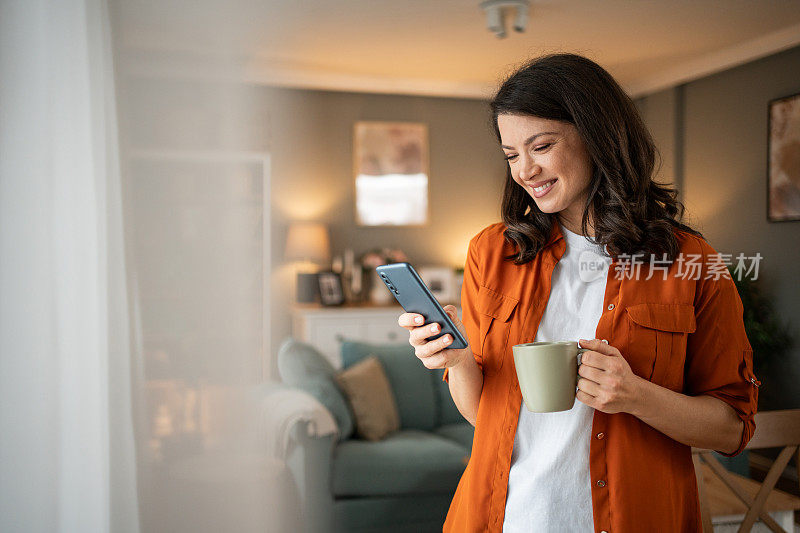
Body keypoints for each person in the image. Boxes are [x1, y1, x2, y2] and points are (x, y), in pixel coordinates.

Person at [397, 53, 758, 532]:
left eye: (541, 146)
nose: (524, 170)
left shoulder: (690, 262)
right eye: (511, 155)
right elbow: (487, 419)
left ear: (597, 135)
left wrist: (634, 396)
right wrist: (458, 361)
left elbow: (732, 427)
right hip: (504, 517)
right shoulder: (492, 253)